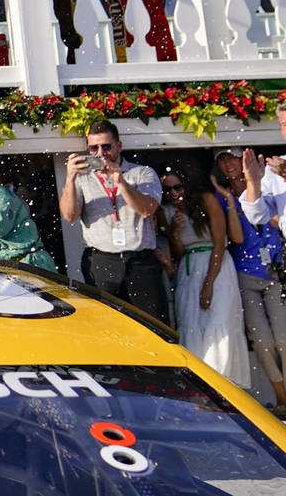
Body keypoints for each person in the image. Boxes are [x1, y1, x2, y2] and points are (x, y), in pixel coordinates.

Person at [59, 119, 169, 324]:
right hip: (101, 260)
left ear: (119, 146)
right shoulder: (83, 177)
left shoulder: (141, 172)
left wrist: (120, 181)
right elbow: (69, 215)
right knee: (108, 327)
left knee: (154, 326)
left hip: (140, 260)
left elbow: (147, 210)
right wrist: (70, 178)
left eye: (106, 146)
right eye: (94, 147)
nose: (100, 153)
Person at [160, 169, 250, 388]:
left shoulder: (207, 200)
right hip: (189, 269)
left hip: (216, 266)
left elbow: (220, 242)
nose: (173, 193)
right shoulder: (167, 211)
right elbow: (179, 253)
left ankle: (225, 386)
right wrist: (174, 234)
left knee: (219, 323)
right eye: (167, 189)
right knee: (191, 324)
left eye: (178, 187)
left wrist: (208, 284)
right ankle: (201, 388)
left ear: (187, 185)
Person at [215, 148, 286, 416]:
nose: (228, 163)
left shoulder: (268, 183)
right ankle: (281, 398)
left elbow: (277, 220)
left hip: (276, 270)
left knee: (283, 338)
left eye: (232, 157)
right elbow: (238, 238)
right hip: (245, 272)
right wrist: (231, 202)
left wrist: (255, 187)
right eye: (222, 160)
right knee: (262, 340)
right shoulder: (223, 198)